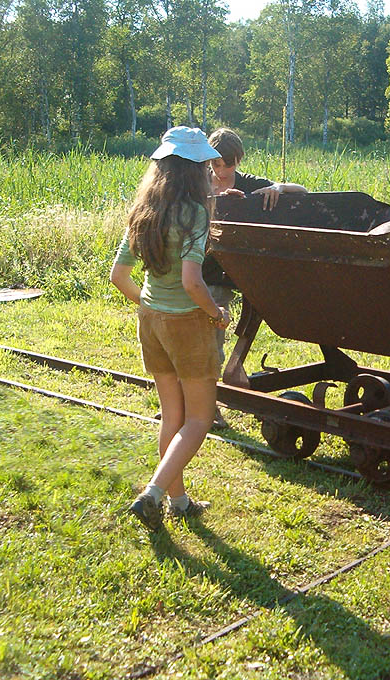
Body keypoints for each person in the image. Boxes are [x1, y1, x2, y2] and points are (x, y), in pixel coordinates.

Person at [111, 126, 231, 531]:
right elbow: (192, 282)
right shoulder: (194, 213)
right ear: (193, 170)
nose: (211, 173)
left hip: (151, 320)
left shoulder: (144, 211)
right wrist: (217, 314)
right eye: (206, 166)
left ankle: (178, 501)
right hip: (187, 324)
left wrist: (147, 303)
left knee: (172, 416)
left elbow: (119, 275)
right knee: (198, 419)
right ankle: (154, 493)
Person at [205, 128, 308, 428]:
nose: (222, 171)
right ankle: (193, 404)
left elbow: (302, 192)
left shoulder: (249, 183)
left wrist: (279, 186)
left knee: (213, 341)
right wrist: (217, 200)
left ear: (238, 160)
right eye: (216, 165)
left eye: (228, 165)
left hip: (233, 274)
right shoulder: (198, 185)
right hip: (201, 270)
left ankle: (210, 404)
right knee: (190, 339)